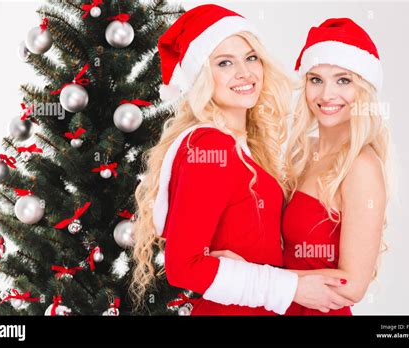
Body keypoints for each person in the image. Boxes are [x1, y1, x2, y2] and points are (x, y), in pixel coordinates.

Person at [129, 5, 352, 315]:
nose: (245, 73)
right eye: (224, 63)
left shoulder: (244, 146)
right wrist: (293, 288)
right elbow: (184, 267)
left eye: (250, 58)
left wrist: (298, 281)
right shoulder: (211, 147)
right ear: (202, 76)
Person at [281, 17, 390, 315]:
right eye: (315, 80)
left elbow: (351, 286)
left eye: (343, 80)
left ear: (363, 89)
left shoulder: (361, 166)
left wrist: (264, 281)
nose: (326, 95)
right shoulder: (304, 154)